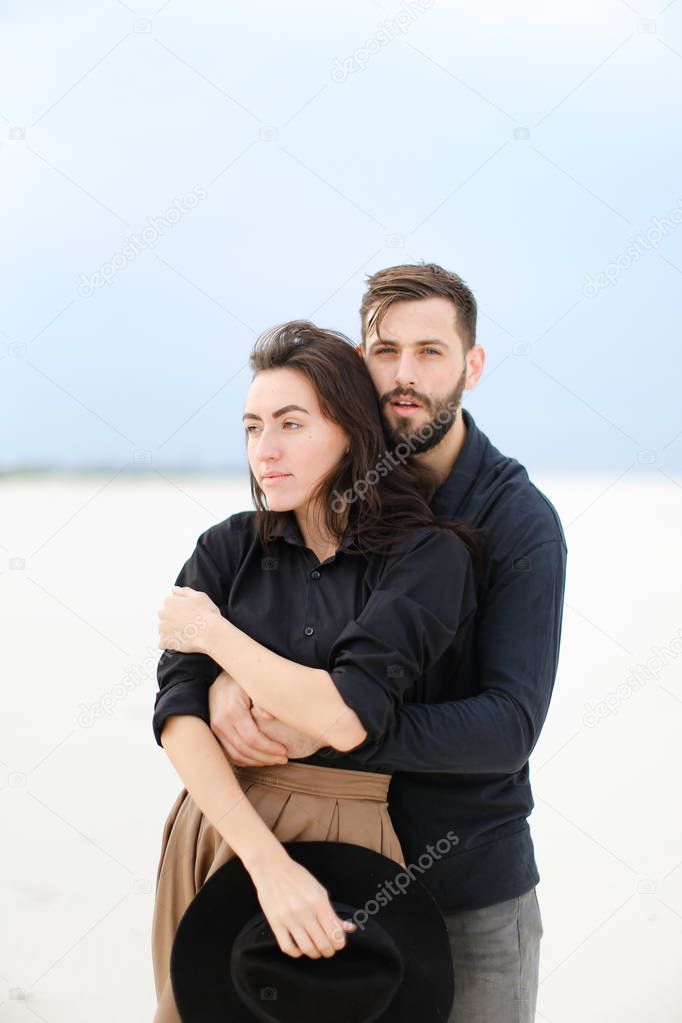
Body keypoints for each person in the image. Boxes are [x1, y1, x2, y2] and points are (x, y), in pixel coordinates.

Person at [208, 263, 568, 1023]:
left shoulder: (520, 523)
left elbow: (507, 728)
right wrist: (226, 678)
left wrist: (335, 727)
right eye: (385, 350)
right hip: (331, 876)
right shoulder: (324, 495)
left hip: (469, 889)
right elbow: (267, 627)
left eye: (431, 352)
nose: (405, 375)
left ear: (472, 364)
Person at [151, 320, 479, 1022]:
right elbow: (177, 716)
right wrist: (266, 865)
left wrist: (215, 639)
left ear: (351, 429)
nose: (263, 451)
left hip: (344, 830)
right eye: (251, 427)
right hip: (214, 821)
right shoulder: (228, 546)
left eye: (291, 424)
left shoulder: (425, 558)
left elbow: (340, 714)